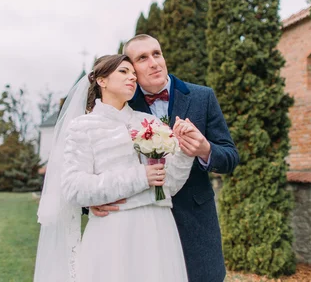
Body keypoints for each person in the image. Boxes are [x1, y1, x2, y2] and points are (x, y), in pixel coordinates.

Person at [34, 54, 195, 282]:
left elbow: (171, 184)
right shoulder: (83, 127)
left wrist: (186, 151)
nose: (132, 77)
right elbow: (74, 188)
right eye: (123, 71)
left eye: (133, 74)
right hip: (114, 231)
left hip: (158, 227)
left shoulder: (150, 123)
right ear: (102, 80)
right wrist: (140, 177)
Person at [90, 35, 239, 282]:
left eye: (157, 54)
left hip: (196, 225)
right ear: (132, 69)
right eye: (142, 58)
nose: (154, 63)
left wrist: (205, 149)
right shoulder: (121, 104)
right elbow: (97, 159)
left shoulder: (202, 97)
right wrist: (93, 200)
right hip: (141, 227)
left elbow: (230, 156)